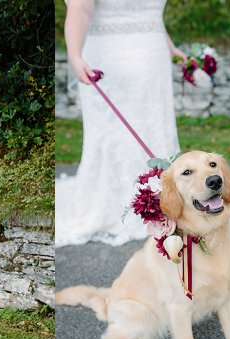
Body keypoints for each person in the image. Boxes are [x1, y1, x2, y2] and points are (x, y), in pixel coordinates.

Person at [56, 0, 184, 247]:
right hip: (109, 57)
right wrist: (74, 55)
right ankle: (123, 203)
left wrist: (171, 48)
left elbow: (150, 15)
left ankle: (163, 200)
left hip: (153, 56)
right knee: (114, 132)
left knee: (155, 124)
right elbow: (80, 7)